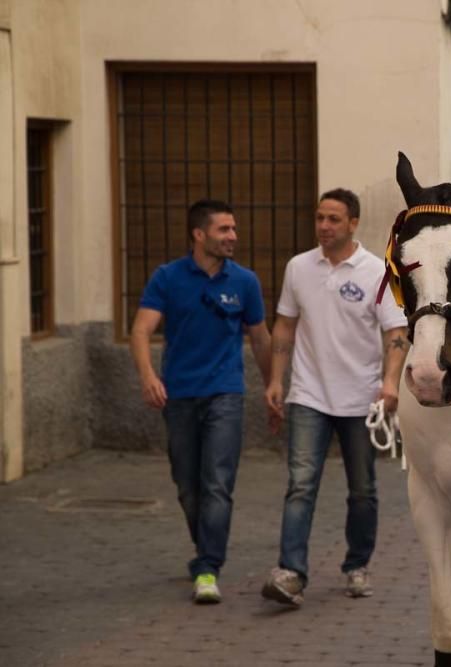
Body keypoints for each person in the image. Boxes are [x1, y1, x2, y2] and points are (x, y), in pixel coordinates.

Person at [260, 189, 408, 606]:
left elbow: (396, 332)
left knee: (362, 489)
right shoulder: (299, 267)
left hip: (361, 398)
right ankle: (291, 572)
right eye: (320, 218)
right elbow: (285, 325)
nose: (324, 226)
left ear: (353, 223)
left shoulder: (377, 272)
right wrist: (276, 380)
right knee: (300, 484)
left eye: (333, 220)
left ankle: (356, 565)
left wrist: (390, 383)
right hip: (308, 394)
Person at [130, 199, 272, 604]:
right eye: (224, 229)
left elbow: (260, 337)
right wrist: (148, 377)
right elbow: (141, 331)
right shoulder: (168, 278)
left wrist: (272, 386)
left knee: (216, 484)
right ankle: (204, 553)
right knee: (188, 487)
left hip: (225, 393)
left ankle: (208, 566)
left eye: (233, 229)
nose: (233, 237)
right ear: (199, 234)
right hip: (178, 395)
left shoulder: (244, 281)